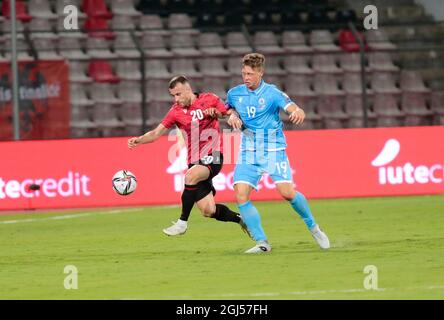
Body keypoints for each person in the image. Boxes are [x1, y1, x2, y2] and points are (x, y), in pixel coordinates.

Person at [225, 53, 330, 253]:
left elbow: (292, 107)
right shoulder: (235, 93)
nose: (245, 77)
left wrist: (297, 111)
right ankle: (262, 242)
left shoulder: (272, 93)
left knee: (287, 193)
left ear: (260, 73)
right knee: (240, 195)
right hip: (248, 150)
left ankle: (314, 227)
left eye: (249, 74)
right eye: (243, 73)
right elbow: (227, 109)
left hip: (273, 148)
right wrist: (232, 115)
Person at [128, 75, 250, 238]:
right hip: (195, 161)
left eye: (178, 94)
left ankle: (182, 223)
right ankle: (242, 220)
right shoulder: (175, 112)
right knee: (208, 210)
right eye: (173, 96)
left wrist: (221, 113)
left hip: (214, 154)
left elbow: (227, 112)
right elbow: (156, 133)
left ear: (187, 89)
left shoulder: (209, 99)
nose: (176, 99)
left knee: (190, 176)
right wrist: (139, 140)